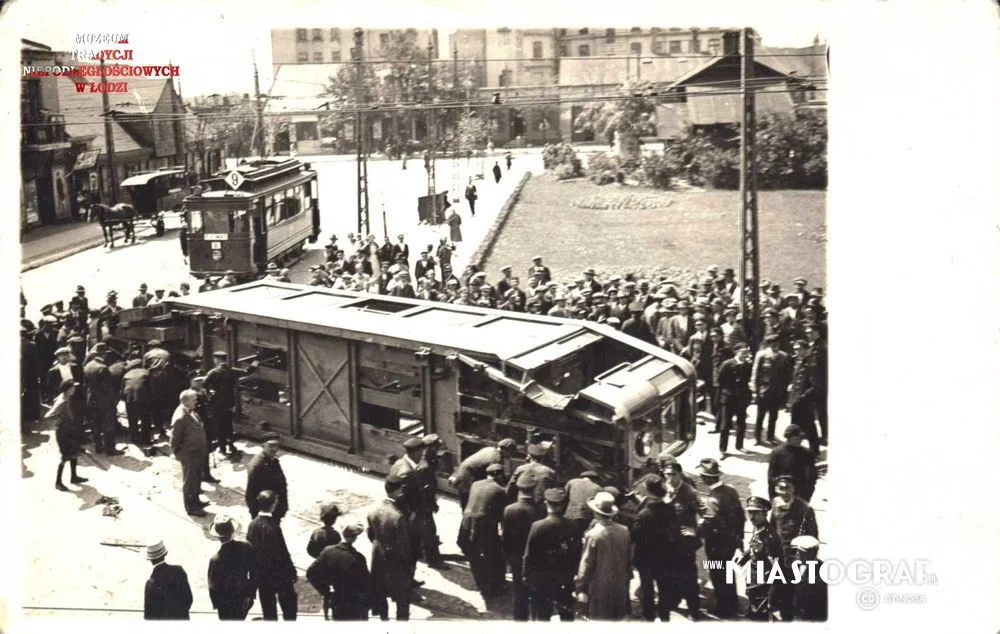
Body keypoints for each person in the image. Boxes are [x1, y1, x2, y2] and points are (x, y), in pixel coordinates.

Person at [696, 458, 745, 619]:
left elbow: (710, 523)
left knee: (717, 575)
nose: (701, 478)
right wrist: (739, 537)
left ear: (708, 478)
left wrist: (695, 531)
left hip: (717, 545)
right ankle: (733, 603)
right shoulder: (730, 490)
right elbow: (740, 516)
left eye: (702, 475)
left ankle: (724, 609)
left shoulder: (713, 499)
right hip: (731, 542)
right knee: (727, 572)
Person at [523, 488, 579, 621]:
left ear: (546, 503)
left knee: (543, 614)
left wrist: (526, 576)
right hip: (564, 578)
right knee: (566, 614)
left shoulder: (537, 526)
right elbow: (577, 554)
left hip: (542, 579)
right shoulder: (574, 526)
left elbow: (529, 554)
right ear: (564, 504)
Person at [575, 491, 631, 621]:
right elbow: (628, 558)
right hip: (619, 584)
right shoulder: (624, 531)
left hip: (599, 586)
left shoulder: (593, 534)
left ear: (595, 513)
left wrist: (580, 587)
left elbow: (586, 563)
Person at [770, 475, 819, 621]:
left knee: (790, 594)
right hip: (778, 556)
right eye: (781, 488)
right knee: (774, 589)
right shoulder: (775, 503)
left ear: (794, 489)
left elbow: (813, 537)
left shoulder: (805, 509)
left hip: (795, 558)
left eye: (787, 488)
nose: (784, 492)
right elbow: (772, 528)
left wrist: (807, 562)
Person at [246, 490, 298, 620]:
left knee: (268, 611)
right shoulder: (274, 527)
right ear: (273, 504)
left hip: (262, 575)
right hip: (279, 574)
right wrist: (291, 572)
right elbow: (282, 553)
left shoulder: (252, 525)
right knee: (289, 607)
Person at [368, 474, 413, 621]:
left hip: (378, 556)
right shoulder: (397, 516)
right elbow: (404, 545)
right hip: (395, 560)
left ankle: (383, 617)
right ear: (398, 491)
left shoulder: (373, 510)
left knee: (380, 590)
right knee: (402, 595)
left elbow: (370, 535)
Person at [458, 463, 507, 597]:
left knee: (474, 555)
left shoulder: (476, 484)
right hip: (484, 526)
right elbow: (501, 514)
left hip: (466, 523)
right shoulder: (500, 490)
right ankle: (493, 587)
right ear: (500, 476)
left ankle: (481, 582)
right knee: (493, 554)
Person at [630, 475, 674, 621]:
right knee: (664, 588)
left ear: (648, 491)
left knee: (647, 589)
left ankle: (648, 616)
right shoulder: (670, 509)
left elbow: (634, 536)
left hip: (646, 559)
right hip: (665, 557)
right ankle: (664, 616)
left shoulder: (644, 515)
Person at [306, 523, 371, 621]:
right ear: (354, 538)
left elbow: (310, 573)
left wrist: (325, 591)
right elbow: (366, 584)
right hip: (355, 604)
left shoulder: (327, 551)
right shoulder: (358, 558)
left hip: (337, 601)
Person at [736, 496, 782, 621]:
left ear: (765, 513)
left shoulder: (770, 538)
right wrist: (745, 557)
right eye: (750, 512)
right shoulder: (757, 527)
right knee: (753, 608)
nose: (751, 517)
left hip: (762, 585)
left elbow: (775, 569)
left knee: (760, 617)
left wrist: (772, 597)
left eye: (756, 513)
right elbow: (754, 546)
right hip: (753, 579)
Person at [503, 472, 540, 620]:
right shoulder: (540, 509)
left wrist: (508, 558)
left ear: (519, 489)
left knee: (519, 591)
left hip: (516, 558)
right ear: (534, 488)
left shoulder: (509, 510)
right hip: (536, 559)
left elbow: (506, 538)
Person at [207, 515, 257, 620]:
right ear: (232, 531)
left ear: (218, 536)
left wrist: (218, 605)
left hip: (226, 606)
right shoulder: (246, 547)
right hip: (244, 598)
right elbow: (255, 572)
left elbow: (213, 588)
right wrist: (250, 595)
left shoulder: (215, 560)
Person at [171, 389, 209, 516]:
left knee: (197, 478)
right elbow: (175, 439)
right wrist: (179, 454)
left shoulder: (190, 411)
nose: (196, 402)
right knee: (190, 481)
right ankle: (191, 507)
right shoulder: (180, 417)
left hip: (197, 452)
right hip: (189, 454)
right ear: (184, 401)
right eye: (194, 400)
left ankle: (196, 501)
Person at [448, 438, 516, 511]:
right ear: (506, 449)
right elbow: (495, 479)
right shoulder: (496, 458)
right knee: (471, 506)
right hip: (468, 479)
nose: (512, 454)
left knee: (467, 506)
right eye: (511, 452)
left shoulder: (489, 449)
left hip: (461, 473)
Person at [46, 379, 89, 491]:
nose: (74, 389)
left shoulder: (66, 397)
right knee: (65, 457)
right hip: (63, 432)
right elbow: (49, 416)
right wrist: (60, 421)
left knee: (74, 452)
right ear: (68, 389)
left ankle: (74, 477)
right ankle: (58, 482)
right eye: (73, 387)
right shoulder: (62, 401)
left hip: (70, 430)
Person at [83, 344, 123, 456]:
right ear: (104, 354)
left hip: (91, 399)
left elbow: (85, 384)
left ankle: (98, 446)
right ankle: (110, 449)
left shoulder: (88, 365)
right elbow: (108, 388)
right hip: (104, 400)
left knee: (95, 423)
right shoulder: (103, 368)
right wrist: (113, 400)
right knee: (108, 424)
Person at [752, 334, 792, 444]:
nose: (775, 346)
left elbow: (787, 374)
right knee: (761, 415)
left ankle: (770, 437)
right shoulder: (761, 355)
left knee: (773, 416)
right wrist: (754, 390)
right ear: (768, 344)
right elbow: (755, 373)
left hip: (777, 391)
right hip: (763, 390)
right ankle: (757, 437)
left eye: (777, 343)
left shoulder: (783, 356)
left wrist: (785, 389)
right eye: (772, 344)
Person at [204, 351, 245, 456]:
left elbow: (204, 383)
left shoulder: (213, 372)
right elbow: (246, 371)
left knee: (219, 426)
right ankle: (231, 445)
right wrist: (254, 365)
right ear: (225, 360)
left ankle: (222, 448)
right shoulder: (232, 370)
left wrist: (209, 394)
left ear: (216, 360)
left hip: (217, 404)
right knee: (229, 425)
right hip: (229, 403)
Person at [415, 434, 446, 568]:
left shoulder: (429, 460)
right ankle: (433, 560)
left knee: (423, 530)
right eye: (436, 446)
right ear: (430, 448)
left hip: (423, 502)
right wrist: (432, 504)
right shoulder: (424, 466)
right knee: (429, 531)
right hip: (422, 504)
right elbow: (423, 490)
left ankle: (422, 552)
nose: (439, 448)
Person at [716, 343, 752, 458]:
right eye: (743, 352)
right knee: (725, 424)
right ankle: (723, 449)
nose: (745, 355)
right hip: (728, 398)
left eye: (746, 353)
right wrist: (725, 393)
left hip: (742, 399)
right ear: (736, 352)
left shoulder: (747, 365)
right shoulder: (727, 364)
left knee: (741, 423)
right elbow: (720, 380)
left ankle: (739, 445)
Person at [143, 540, 194, 620]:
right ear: (165, 554)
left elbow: (148, 615)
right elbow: (189, 600)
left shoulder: (150, 584)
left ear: (150, 559)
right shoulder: (178, 571)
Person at [246, 429, 289, 521]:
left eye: (277, 445)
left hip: (274, 508)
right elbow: (250, 495)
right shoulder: (256, 466)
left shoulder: (272, 460)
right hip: (266, 512)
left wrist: (282, 507)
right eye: (271, 446)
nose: (275, 449)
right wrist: (257, 517)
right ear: (263, 445)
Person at [767, 424, 818, 502]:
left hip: (801, 494)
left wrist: (808, 494)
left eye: (801, 438)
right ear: (789, 438)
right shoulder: (777, 453)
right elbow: (771, 476)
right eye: (797, 438)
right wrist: (774, 498)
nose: (800, 440)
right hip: (782, 493)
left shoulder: (807, 453)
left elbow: (812, 476)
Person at [789, 535, 827, 621]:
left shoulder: (820, 572)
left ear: (811, 553)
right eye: (796, 551)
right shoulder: (795, 566)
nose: (797, 554)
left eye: (801, 552)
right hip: (795, 615)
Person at [121, 359, 153, 447]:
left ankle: (134, 438)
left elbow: (122, 388)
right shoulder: (146, 373)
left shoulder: (127, 374)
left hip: (129, 398)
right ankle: (146, 440)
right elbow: (151, 387)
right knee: (145, 418)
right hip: (142, 398)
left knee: (132, 418)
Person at [563, 470, 602, 538]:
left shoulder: (572, 482)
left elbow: (563, 497)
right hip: (586, 518)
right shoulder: (598, 488)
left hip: (570, 515)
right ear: (595, 480)